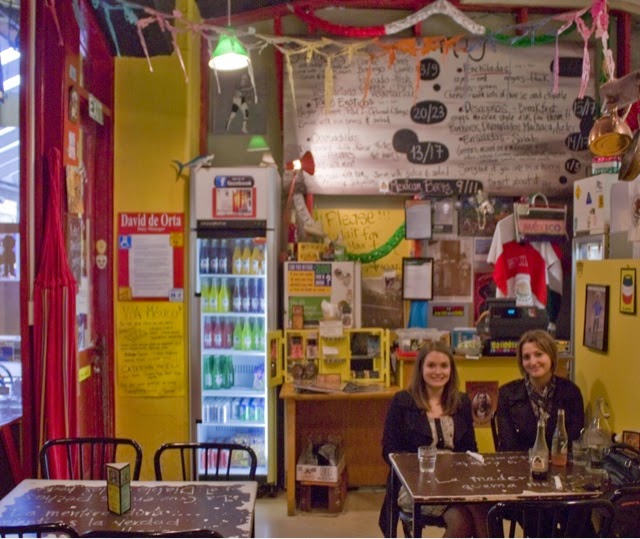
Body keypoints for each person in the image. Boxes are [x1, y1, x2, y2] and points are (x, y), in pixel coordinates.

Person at [378, 342, 488, 538]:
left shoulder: (462, 402)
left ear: (451, 370)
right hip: (415, 485)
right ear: (421, 369)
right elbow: (389, 450)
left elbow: (471, 449)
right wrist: (420, 469)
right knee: (467, 516)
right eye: (431, 365)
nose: (438, 371)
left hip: (455, 482)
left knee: (481, 507)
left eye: (444, 366)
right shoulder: (402, 401)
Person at [496, 329, 584, 452]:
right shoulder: (506, 394)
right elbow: (508, 445)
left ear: (551, 356)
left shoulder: (571, 392)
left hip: (559, 461)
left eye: (538, 354)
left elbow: (573, 442)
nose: (533, 362)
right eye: (526, 357)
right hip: (520, 462)